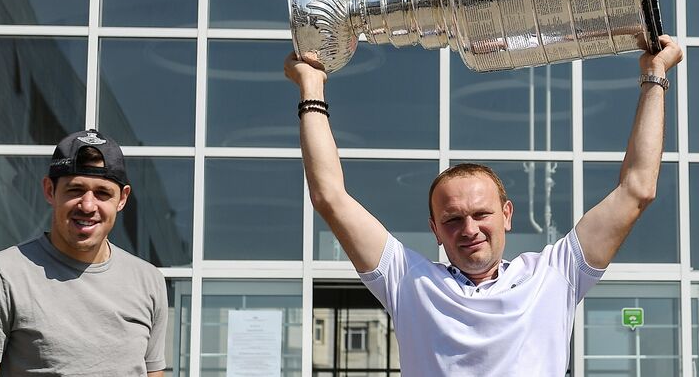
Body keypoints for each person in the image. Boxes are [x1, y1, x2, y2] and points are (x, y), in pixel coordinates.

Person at [284, 35, 683, 375]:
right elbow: (330, 198)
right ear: (435, 231)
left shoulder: (555, 275)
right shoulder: (409, 281)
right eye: (453, 219)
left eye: (480, 214)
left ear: (507, 215)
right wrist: (311, 89)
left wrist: (655, 75)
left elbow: (637, 189)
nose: (469, 229)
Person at [0, 129, 168, 377]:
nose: (87, 205)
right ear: (50, 190)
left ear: (122, 199)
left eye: (102, 193)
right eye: (75, 190)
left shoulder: (149, 281)